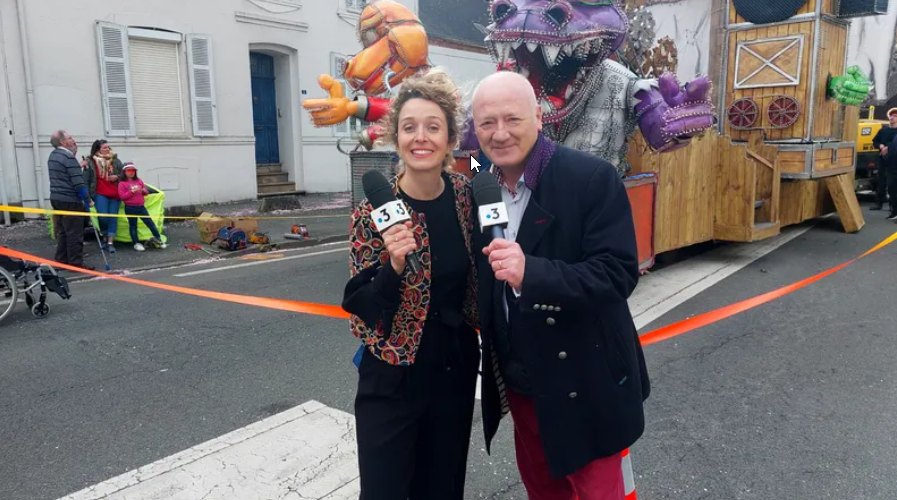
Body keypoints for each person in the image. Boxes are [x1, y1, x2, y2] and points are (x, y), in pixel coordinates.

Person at [471, 71, 650, 500]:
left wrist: (531, 273)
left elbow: (617, 273)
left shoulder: (590, 178)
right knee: (544, 490)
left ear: (538, 116)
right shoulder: (483, 186)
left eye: (512, 119)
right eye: (486, 123)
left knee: (596, 492)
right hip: (523, 380)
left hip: (584, 380)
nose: (499, 134)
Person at [341, 68, 480, 500]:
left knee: (442, 487)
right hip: (391, 373)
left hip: (453, 367)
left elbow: (482, 275)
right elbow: (363, 305)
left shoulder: (465, 194)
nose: (421, 137)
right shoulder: (371, 213)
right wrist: (395, 265)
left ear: (450, 140)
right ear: (395, 138)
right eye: (409, 127)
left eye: (433, 127)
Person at [48, 130, 94, 270]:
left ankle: (61, 259)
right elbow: (78, 182)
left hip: (56, 197)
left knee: (63, 230)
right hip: (70, 199)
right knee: (75, 232)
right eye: (70, 138)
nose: (72, 139)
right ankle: (76, 262)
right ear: (63, 142)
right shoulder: (68, 158)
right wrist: (88, 200)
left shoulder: (53, 156)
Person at [118, 163, 166, 252]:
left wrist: (144, 191)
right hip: (130, 208)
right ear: (124, 172)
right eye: (129, 170)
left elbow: (146, 192)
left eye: (133, 170)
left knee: (150, 224)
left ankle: (159, 239)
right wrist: (132, 191)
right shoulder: (122, 184)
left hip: (141, 207)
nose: (131, 172)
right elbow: (122, 197)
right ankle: (136, 243)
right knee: (133, 226)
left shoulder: (139, 180)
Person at [87, 140, 124, 252]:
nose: (108, 149)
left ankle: (110, 242)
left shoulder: (116, 160)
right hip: (100, 193)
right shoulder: (91, 162)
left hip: (115, 194)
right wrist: (87, 195)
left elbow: (124, 174)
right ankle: (104, 236)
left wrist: (117, 177)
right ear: (98, 150)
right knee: (103, 217)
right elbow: (87, 179)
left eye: (108, 147)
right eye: (105, 148)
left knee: (113, 218)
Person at [871, 108, 897, 218]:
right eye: (891, 116)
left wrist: (888, 148)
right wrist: (880, 146)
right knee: (881, 180)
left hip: (894, 160)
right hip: (883, 159)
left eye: (895, 116)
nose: (892, 117)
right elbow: (875, 141)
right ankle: (879, 202)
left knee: (893, 185)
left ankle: (893, 206)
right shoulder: (883, 130)